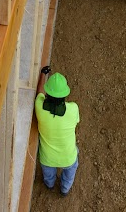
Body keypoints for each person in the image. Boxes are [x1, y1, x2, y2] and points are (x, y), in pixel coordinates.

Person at [35, 65, 79, 196]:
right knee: (71, 169)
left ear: (48, 93)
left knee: (48, 174)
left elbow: (40, 93)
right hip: (68, 157)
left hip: (47, 158)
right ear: (65, 94)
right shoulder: (73, 109)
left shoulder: (39, 107)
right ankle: (65, 189)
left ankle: (50, 184)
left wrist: (43, 74)